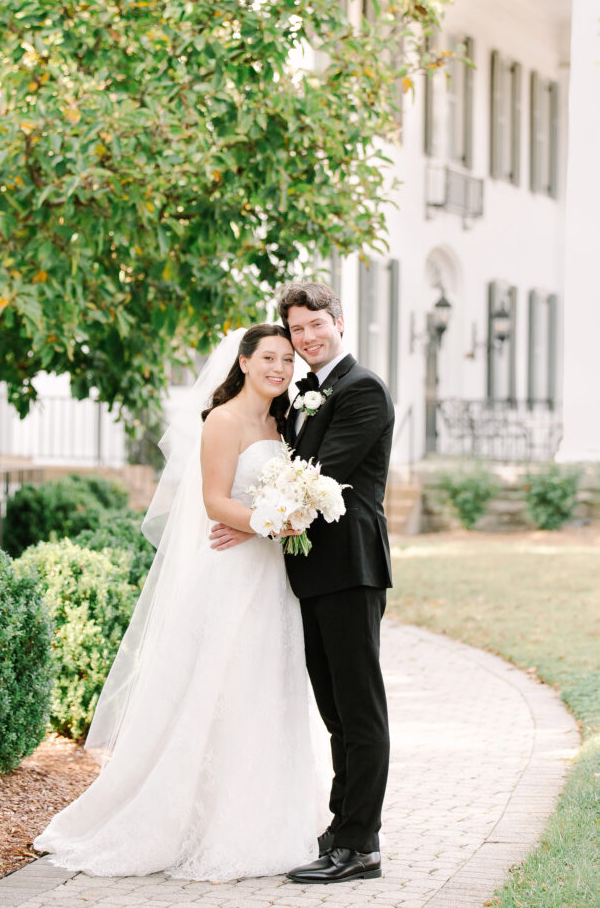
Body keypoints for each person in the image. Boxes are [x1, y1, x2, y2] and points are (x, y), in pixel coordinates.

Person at [34, 324, 328, 880]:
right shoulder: (222, 420)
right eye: (269, 358)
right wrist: (274, 523)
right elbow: (216, 503)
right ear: (243, 361)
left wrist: (279, 522)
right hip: (231, 575)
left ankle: (270, 815)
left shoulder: (285, 419)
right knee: (220, 690)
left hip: (272, 578)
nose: (280, 369)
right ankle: (193, 820)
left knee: (268, 688)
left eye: (288, 360)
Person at [211, 283, 394, 883]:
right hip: (309, 572)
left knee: (359, 710)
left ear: (338, 321)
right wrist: (259, 519)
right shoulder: (299, 397)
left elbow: (321, 480)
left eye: (317, 324)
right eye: (297, 330)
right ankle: (340, 829)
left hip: (350, 570)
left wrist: (255, 524)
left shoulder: (361, 390)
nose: (308, 337)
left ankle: (360, 844)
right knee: (335, 711)